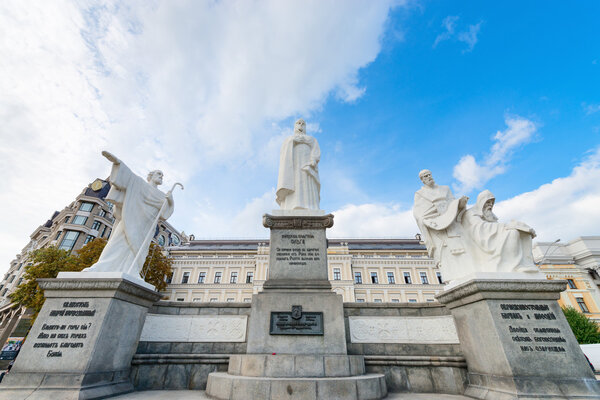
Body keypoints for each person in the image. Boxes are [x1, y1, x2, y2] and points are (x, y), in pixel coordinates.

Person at [84, 151, 174, 276]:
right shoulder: (139, 183)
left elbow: (164, 215)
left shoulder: (162, 196)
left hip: (146, 226)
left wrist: (170, 200)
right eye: (159, 174)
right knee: (117, 241)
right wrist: (117, 162)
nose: (161, 177)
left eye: (162, 176)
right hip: (130, 218)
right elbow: (128, 177)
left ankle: (132, 271)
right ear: (151, 176)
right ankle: (101, 266)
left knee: (139, 249)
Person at [413, 170, 469, 282]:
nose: (428, 177)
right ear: (422, 180)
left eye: (429, 175)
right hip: (436, 227)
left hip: (451, 224)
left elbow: (453, 204)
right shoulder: (420, 194)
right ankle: (452, 278)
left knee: (461, 248)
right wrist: (429, 220)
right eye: (425, 176)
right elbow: (418, 214)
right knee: (445, 252)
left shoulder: (445, 189)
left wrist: (460, 204)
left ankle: (466, 274)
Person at [462, 190, 538, 273]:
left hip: (493, 238)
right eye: (488, 202)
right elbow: (479, 228)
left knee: (522, 233)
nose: (490, 205)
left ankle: (526, 264)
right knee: (513, 233)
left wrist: (514, 226)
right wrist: (505, 226)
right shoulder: (471, 213)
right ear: (481, 202)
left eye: (492, 202)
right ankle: (515, 266)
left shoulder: (490, 216)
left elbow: (496, 227)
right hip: (481, 241)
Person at [276, 118, 321, 210]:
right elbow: (283, 152)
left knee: (307, 181)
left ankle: (310, 206)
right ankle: (291, 205)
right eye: (298, 123)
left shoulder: (311, 139)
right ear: (295, 126)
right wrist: (292, 141)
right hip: (293, 165)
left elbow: (316, 150)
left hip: (307, 165)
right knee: (295, 181)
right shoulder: (289, 139)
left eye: (303, 124)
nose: (300, 125)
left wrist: (313, 160)